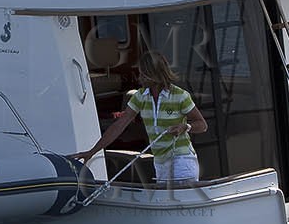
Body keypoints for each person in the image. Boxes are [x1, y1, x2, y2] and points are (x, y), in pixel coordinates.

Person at [74, 51, 207, 185]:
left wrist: (186, 127)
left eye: (144, 74)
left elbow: (202, 124)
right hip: (160, 163)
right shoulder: (140, 96)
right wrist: (92, 152)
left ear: (155, 74)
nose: (140, 78)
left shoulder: (180, 96)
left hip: (182, 159)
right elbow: (119, 125)